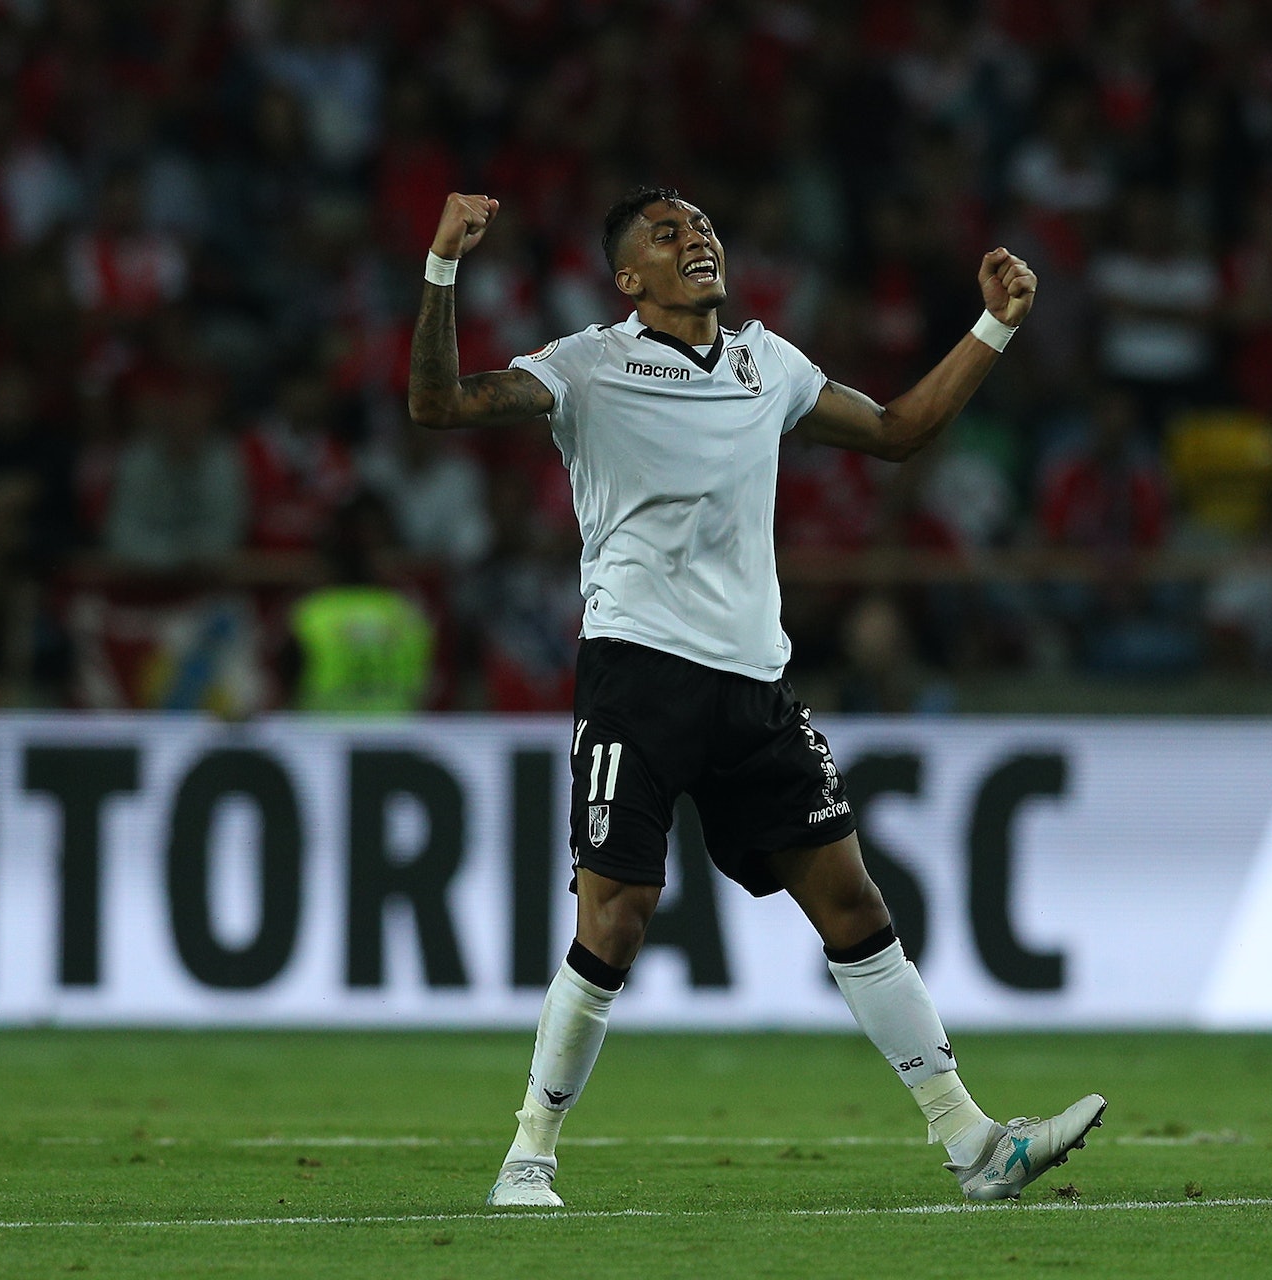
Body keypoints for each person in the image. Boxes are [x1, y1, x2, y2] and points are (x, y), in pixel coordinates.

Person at [409, 187, 1106, 1208]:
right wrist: (442, 268)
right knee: (617, 917)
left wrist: (994, 325)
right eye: (666, 235)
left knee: (853, 902)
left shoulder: (766, 362)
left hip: (753, 687)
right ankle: (529, 1154)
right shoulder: (587, 365)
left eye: (702, 227)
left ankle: (972, 1141)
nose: (695, 239)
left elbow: (900, 430)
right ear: (629, 278)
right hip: (638, 676)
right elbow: (438, 404)